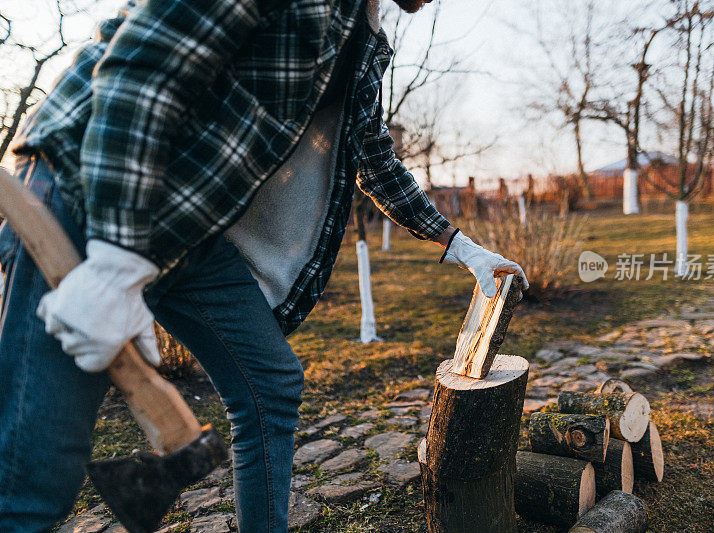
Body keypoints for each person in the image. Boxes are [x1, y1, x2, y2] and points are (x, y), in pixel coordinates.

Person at [0, 0, 528, 530]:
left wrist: (459, 244)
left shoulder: (362, 34)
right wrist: (117, 260)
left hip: (188, 227)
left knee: (269, 386)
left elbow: (369, 154)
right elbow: (145, 64)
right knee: (33, 485)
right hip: (88, 188)